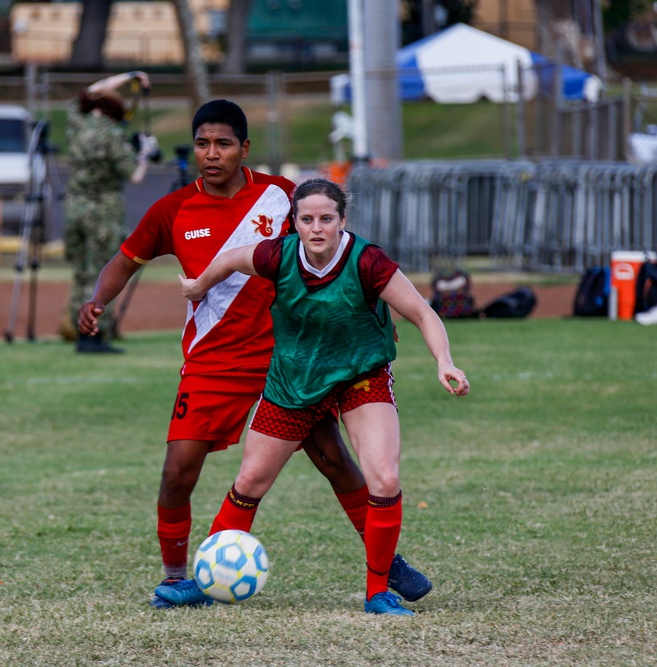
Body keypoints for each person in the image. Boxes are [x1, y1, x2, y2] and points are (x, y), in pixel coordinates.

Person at [78, 100, 433, 609]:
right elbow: (125, 259)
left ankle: (387, 562)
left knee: (335, 459)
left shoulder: (282, 197)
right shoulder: (174, 209)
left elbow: (329, 250)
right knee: (179, 467)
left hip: (287, 359)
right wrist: (97, 301)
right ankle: (180, 574)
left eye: (223, 143)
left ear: (244, 148)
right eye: (202, 144)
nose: (211, 153)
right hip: (213, 361)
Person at [170, 177, 471, 615]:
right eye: (306, 219)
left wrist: (444, 361)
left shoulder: (368, 262)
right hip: (294, 380)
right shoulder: (277, 254)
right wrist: (199, 286)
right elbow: (232, 258)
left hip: (359, 378)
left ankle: (378, 592)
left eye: (326, 219)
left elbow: (423, 313)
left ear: (342, 221)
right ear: (293, 223)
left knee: (384, 477)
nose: (316, 228)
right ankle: (208, 581)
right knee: (250, 481)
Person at [65, 71, 159, 353]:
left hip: (74, 207)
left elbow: (91, 90)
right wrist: (144, 152)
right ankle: (94, 335)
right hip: (103, 211)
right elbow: (135, 175)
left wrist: (128, 77)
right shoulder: (112, 135)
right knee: (102, 273)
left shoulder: (77, 124)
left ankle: (78, 329)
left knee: (81, 272)